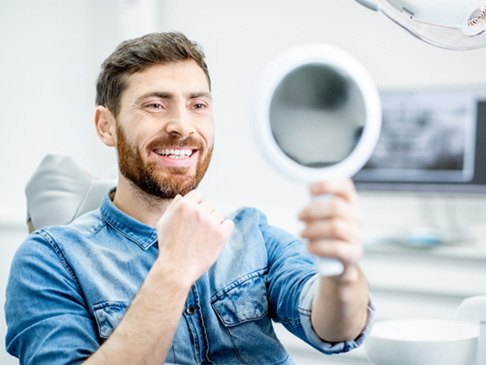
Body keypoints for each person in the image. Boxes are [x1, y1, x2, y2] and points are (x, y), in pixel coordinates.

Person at [5, 32, 373, 365]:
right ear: (106, 126)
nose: (182, 125)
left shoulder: (252, 234)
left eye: (198, 105)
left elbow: (335, 329)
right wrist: (173, 271)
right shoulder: (50, 260)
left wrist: (340, 271)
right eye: (155, 105)